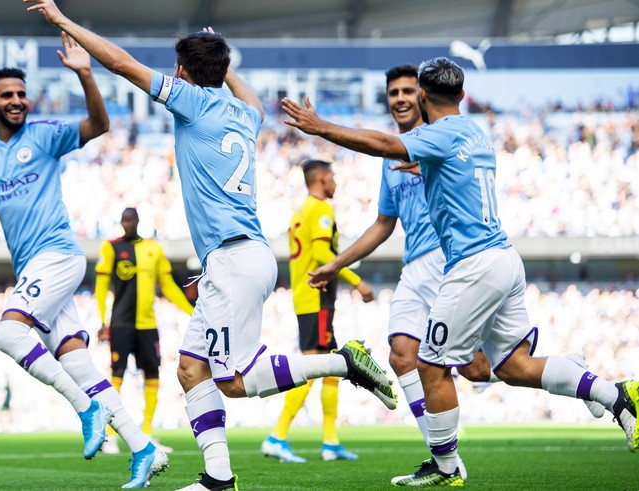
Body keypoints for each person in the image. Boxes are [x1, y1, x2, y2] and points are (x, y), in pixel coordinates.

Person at [24, 3, 397, 489]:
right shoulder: (243, 113)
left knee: (234, 381)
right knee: (191, 368)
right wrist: (224, 64)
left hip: (232, 261)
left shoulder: (192, 101)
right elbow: (256, 102)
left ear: (181, 71)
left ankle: (342, 363)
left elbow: (120, 63)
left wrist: (65, 21)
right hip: (240, 257)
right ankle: (219, 477)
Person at [283, 57, 638, 486]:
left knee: (429, 364)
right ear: (463, 96)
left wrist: (320, 127)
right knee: (513, 367)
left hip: (473, 265)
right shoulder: (474, 131)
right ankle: (614, 395)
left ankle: (446, 467)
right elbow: (439, 167)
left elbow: (386, 144)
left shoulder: (437, 135)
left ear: (424, 98)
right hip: (503, 259)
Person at [0, 35, 167, 489]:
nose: (16, 101)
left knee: (9, 333)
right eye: (6, 96)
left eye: (20, 94)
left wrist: (86, 73)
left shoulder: (46, 134)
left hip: (58, 256)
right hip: (35, 269)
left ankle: (85, 408)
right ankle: (143, 448)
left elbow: (100, 124)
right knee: (79, 364)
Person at [262, 159, 375, 464]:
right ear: (322, 178)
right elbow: (324, 253)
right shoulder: (321, 209)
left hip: (308, 297)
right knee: (312, 367)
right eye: (333, 177)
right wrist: (357, 281)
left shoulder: (300, 212)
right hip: (317, 298)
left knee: (332, 369)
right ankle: (277, 436)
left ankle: (330, 440)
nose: (335, 182)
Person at [96, 207, 195, 454]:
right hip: (121, 324)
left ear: (138, 221)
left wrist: (192, 312)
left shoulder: (153, 249)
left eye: (131, 220)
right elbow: (101, 285)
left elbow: (169, 286)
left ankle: (147, 432)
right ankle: (109, 435)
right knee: (116, 374)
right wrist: (101, 320)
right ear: (121, 222)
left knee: (152, 375)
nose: (127, 224)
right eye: (124, 220)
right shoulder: (111, 248)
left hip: (148, 325)